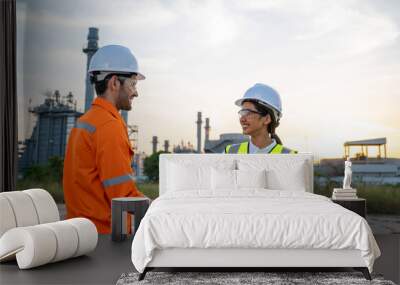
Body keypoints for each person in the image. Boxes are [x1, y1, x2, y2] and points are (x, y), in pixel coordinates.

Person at [63, 45, 145, 234]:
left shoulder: (85, 121)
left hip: (81, 233)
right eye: (132, 84)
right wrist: (163, 209)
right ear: (115, 83)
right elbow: (124, 198)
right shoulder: (108, 126)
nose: (135, 92)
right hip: (105, 237)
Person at [225, 83, 297, 154]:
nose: (242, 119)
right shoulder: (230, 152)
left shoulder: (291, 157)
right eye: (242, 113)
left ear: (267, 119)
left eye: (248, 113)